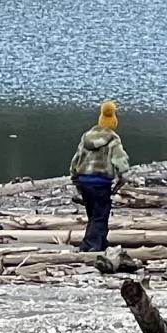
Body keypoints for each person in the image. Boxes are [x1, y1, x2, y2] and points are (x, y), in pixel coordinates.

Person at [69, 100, 130, 252]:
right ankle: (90, 245)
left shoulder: (86, 137)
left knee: (93, 213)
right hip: (101, 182)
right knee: (100, 214)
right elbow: (120, 160)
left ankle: (101, 242)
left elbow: (76, 159)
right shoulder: (113, 140)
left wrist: (74, 177)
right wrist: (123, 176)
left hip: (84, 180)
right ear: (114, 121)